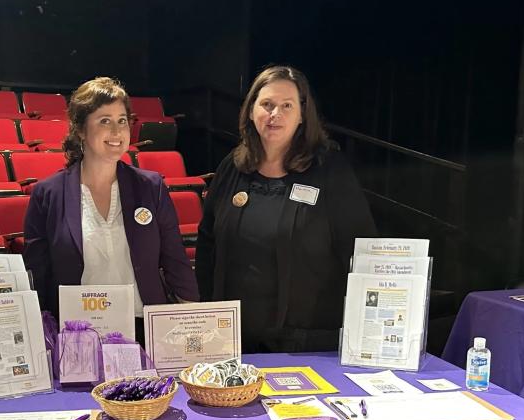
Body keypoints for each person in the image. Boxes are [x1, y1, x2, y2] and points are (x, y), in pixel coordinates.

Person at [196, 65, 376, 352]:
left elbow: (360, 251)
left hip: (307, 344)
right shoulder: (233, 166)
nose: (274, 114)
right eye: (266, 104)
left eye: (286, 105)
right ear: (251, 109)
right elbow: (208, 243)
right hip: (232, 341)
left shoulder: (329, 171)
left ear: (303, 114)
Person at [23, 77, 198, 338]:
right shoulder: (47, 194)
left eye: (122, 120)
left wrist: (194, 324)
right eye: (104, 120)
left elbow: (175, 260)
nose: (117, 132)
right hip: (78, 336)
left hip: (144, 332)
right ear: (80, 129)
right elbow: (38, 275)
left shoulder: (151, 187)